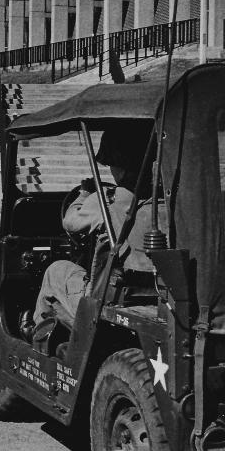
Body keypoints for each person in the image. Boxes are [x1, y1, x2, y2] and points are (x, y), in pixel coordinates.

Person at [32, 126, 156, 328]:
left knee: (56, 270)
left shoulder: (107, 200)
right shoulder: (164, 202)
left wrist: (83, 193)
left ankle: (39, 335)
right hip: (152, 294)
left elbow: (70, 222)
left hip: (106, 297)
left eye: (111, 164)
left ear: (122, 167)